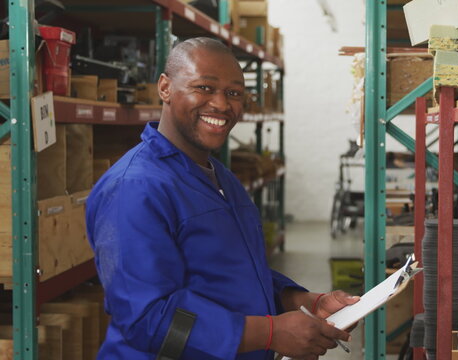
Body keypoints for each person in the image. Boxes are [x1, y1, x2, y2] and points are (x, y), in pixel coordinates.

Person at [86, 37, 359, 360]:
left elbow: (231, 272)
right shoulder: (135, 188)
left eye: (234, 93)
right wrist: (270, 332)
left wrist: (304, 300)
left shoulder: (219, 177)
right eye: (203, 87)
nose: (221, 104)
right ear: (165, 88)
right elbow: (148, 318)